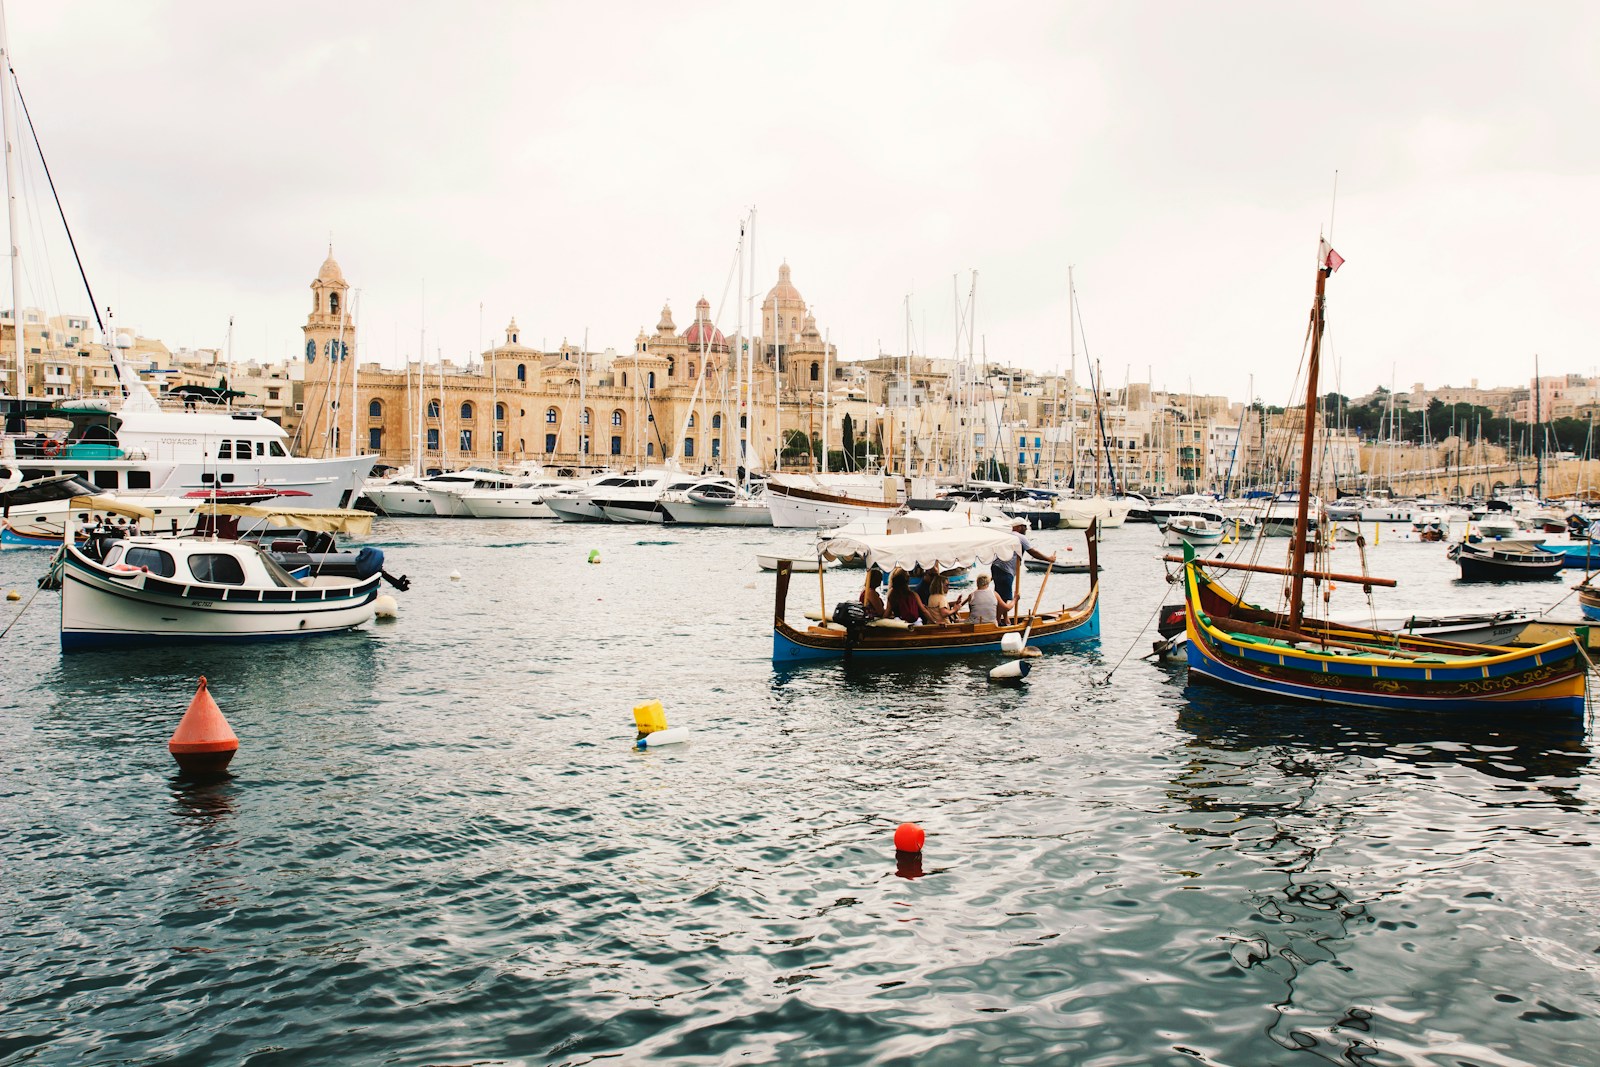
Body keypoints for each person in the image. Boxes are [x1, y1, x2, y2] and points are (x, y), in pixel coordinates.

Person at [991, 520, 1055, 624]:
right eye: (1025, 527)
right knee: (1004, 596)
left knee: (1001, 596)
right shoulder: (1020, 537)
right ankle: (997, 622)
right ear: (1019, 527)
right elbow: (1033, 552)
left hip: (996, 567)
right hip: (1006, 570)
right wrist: (1049, 559)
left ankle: (1005, 619)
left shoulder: (1007, 535)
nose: (1026, 529)